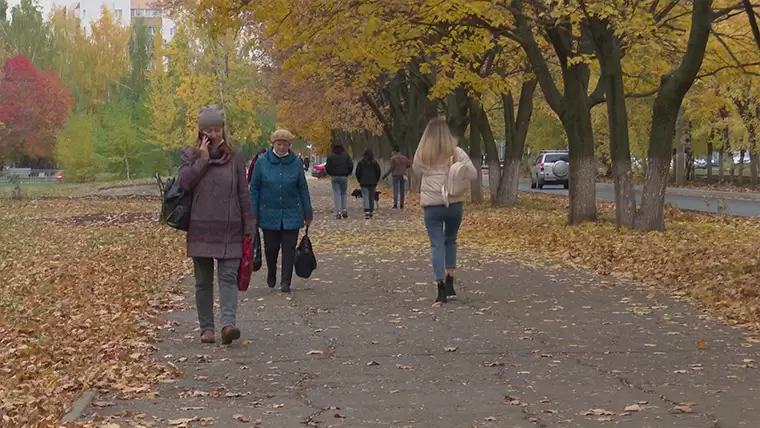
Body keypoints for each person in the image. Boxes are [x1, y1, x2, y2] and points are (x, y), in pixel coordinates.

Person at [179, 105, 253, 345]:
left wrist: (249, 225)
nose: (214, 134)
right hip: (200, 226)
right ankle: (206, 329)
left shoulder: (236, 156)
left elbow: (243, 192)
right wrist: (202, 160)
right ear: (201, 132)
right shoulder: (190, 154)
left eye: (217, 129)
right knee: (203, 281)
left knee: (229, 277)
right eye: (209, 130)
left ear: (223, 130)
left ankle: (228, 325)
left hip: (230, 226)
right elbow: (184, 183)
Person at [413, 118, 477, 304]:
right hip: (453, 204)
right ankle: (450, 282)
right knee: (451, 241)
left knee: (436, 244)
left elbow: (417, 172)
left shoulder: (422, 153)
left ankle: (440, 288)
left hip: (431, 206)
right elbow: (472, 174)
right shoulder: (456, 152)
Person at [250, 129, 313, 293]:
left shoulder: (296, 163)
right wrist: (253, 212)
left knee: (289, 250)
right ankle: (271, 271)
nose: (282, 147)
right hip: (268, 213)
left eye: (285, 144)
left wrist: (308, 212)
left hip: (292, 212)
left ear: (289, 145)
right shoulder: (262, 162)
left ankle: (286, 282)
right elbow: (254, 188)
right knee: (271, 248)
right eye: (279, 144)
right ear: (273, 144)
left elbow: (303, 188)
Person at [325, 142, 353, 219]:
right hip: (344, 176)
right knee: (343, 193)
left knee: (337, 193)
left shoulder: (330, 155)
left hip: (334, 176)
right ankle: (344, 209)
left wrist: (330, 173)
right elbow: (350, 165)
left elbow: (327, 166)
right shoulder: (346, 155)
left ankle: (338, 212)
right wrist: (347, 173)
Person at [381, 145, 412, 209]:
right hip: (403, 175)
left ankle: (395, 204)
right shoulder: (404, 158)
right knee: (402, 190)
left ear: (394, 151)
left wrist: (385, 175)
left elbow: (391, 168)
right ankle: (401, 204)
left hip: (395, 175)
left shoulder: (393, 158)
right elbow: (409, 165)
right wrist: (403, 168)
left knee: (395, 190)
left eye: (392, 152)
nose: (392, 153)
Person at [355, 148, 382, 219]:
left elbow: (357, 172)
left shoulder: (361, 162)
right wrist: (376, 180)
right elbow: (378, 172)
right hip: (373, 182)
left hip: (363, 182)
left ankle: (367, 211)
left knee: (365, 196)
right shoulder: (375, 163)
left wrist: (360, 180)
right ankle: (371, 210)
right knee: (371, 197)